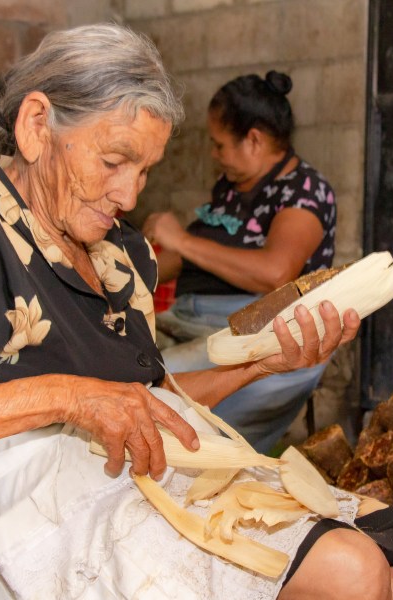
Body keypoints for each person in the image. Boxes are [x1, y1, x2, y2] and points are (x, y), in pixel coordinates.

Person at [0, 24, 393, 600]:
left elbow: (146, 405)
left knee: (384, 541)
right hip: (29, 520)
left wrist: (259, 365)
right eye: (113, 161)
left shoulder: (121, 254)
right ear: (37, 126)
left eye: (145, 169)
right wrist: (70, 396)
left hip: (118, 484)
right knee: (348, 571)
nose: (130, 195)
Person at [144, 70, 338, 453]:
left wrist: (181, 239)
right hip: (188, 318)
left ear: (254, 140)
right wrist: (126, 275)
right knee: (118, 361)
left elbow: (275, 273)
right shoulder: (232, 187)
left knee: (152, 388)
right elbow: (193, 258)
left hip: (256, 331)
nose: (214, 155)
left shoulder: (305, 190)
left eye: (219, 145)